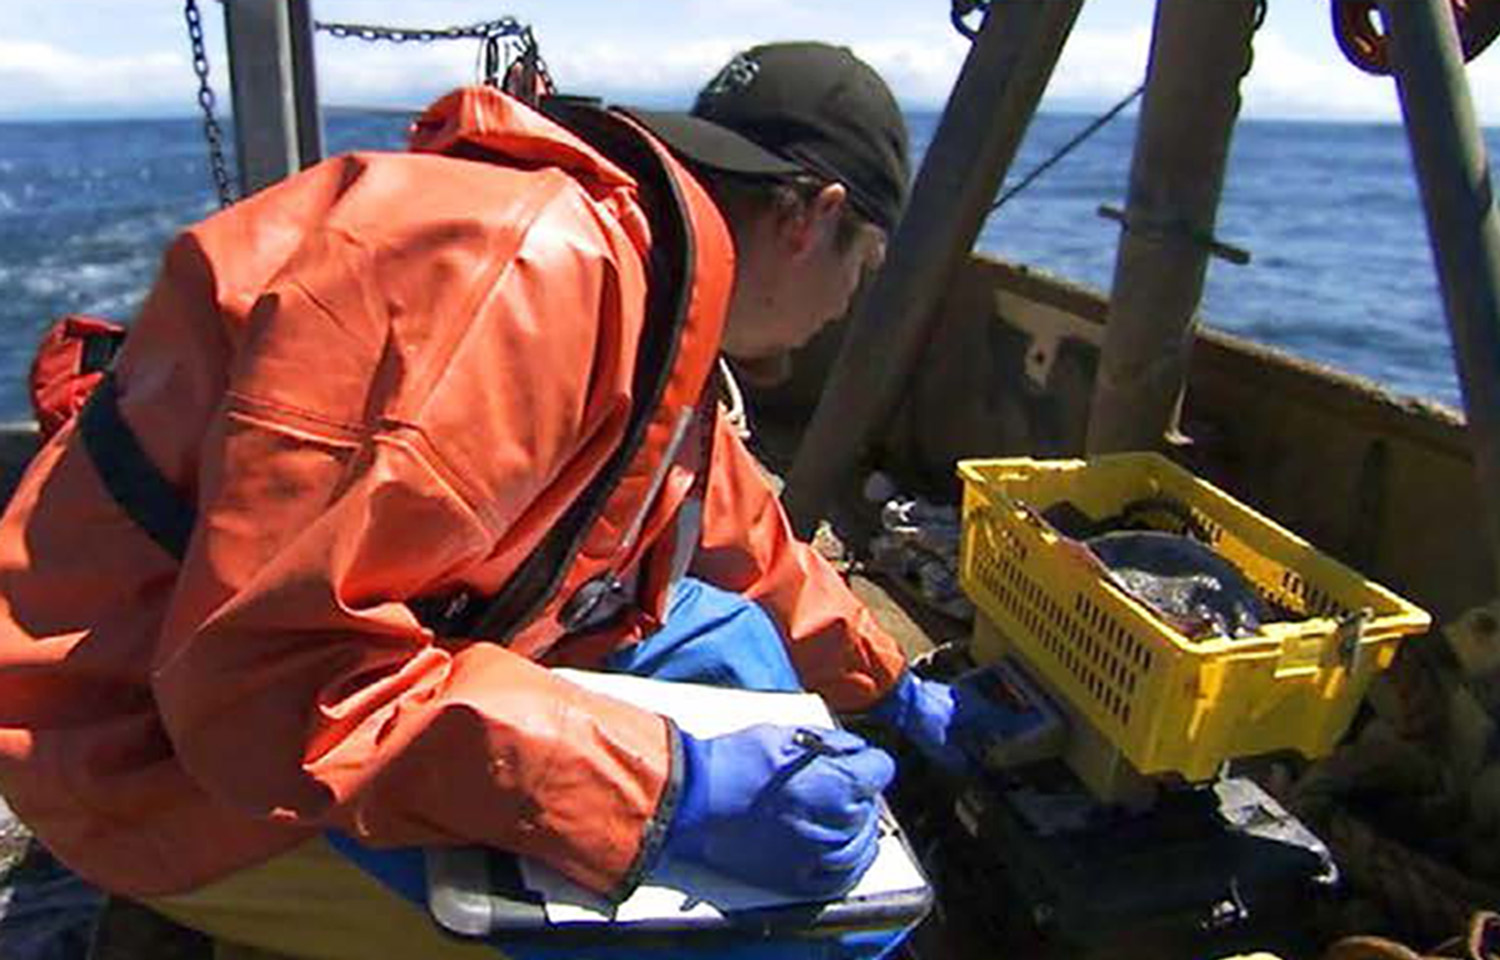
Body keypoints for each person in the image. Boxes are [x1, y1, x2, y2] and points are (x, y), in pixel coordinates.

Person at [0, 41, 1018, 959]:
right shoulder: (512, 281)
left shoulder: (644, 273)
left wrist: (886, 689)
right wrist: (667, 800)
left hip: (278, 689)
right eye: (866, 269)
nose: (850, 306)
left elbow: (732, 524)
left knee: (730, 641)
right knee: (779, 935)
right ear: (813, 217)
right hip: (150, 759)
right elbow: (269, 691)